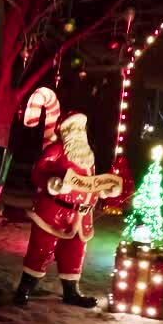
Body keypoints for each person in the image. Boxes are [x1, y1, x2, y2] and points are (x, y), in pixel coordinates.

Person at [15, 88, 122, 308]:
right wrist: (52, 182)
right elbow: (38, 172)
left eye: (80, 128)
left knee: (74, 253)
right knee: (41, 250)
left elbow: (89, 182)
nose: (78, 132)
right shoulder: (56, 151)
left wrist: (103, 191)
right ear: (64, 131)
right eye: (73, 128)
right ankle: (26, 288)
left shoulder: (88, 155)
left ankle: (71, 291)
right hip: (53, 213)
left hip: (82, 216)